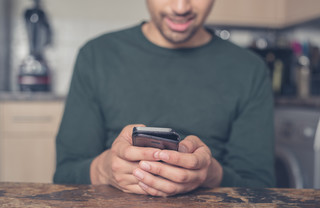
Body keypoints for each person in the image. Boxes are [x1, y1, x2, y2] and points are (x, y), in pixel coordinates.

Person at [54, 0, 275, 197]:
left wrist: (211, 174)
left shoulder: (249, 69)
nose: (181, 8)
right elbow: (64, 175)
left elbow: (260, 188)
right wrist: (103, 169)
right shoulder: (96, 56)